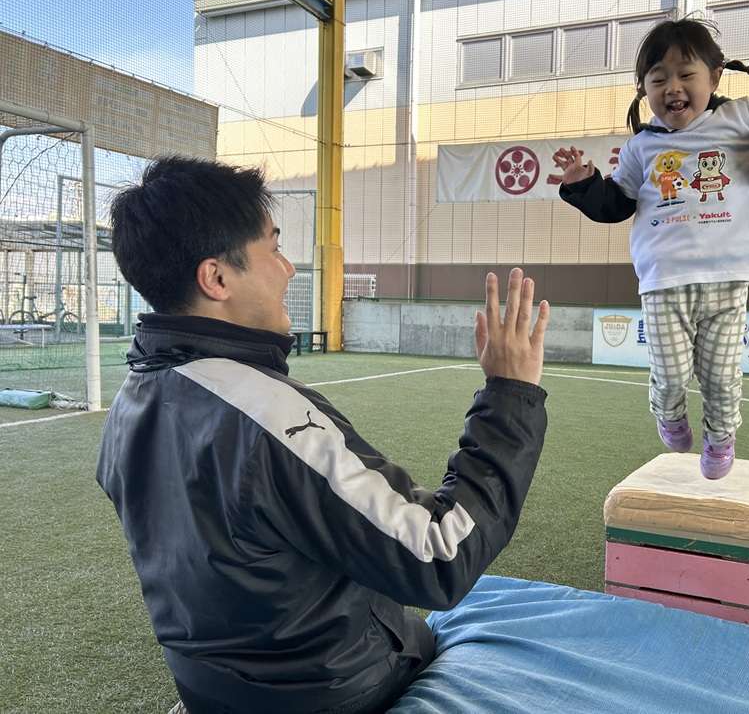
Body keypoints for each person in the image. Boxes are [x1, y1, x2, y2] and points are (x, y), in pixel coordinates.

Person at [96, 156, 550, 714]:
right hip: (329, 691)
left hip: (210, 688)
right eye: (273, 249)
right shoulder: (263, 413)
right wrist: (510, 393)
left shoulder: (128, 404)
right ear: (217, 278)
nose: (288, 269)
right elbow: (438, 553)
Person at [554, 18, 749, 479]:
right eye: (658, 79)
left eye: (685, 75)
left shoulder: (743, 116)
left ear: (714, 77)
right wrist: (583, 184)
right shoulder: (642, 146)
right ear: (644, 89)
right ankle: (669, 414)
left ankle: (721, 437)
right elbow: (616, 203)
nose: (672, 88)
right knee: (671, 375)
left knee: (721, 377)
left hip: (728, 278)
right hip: (664, 281)